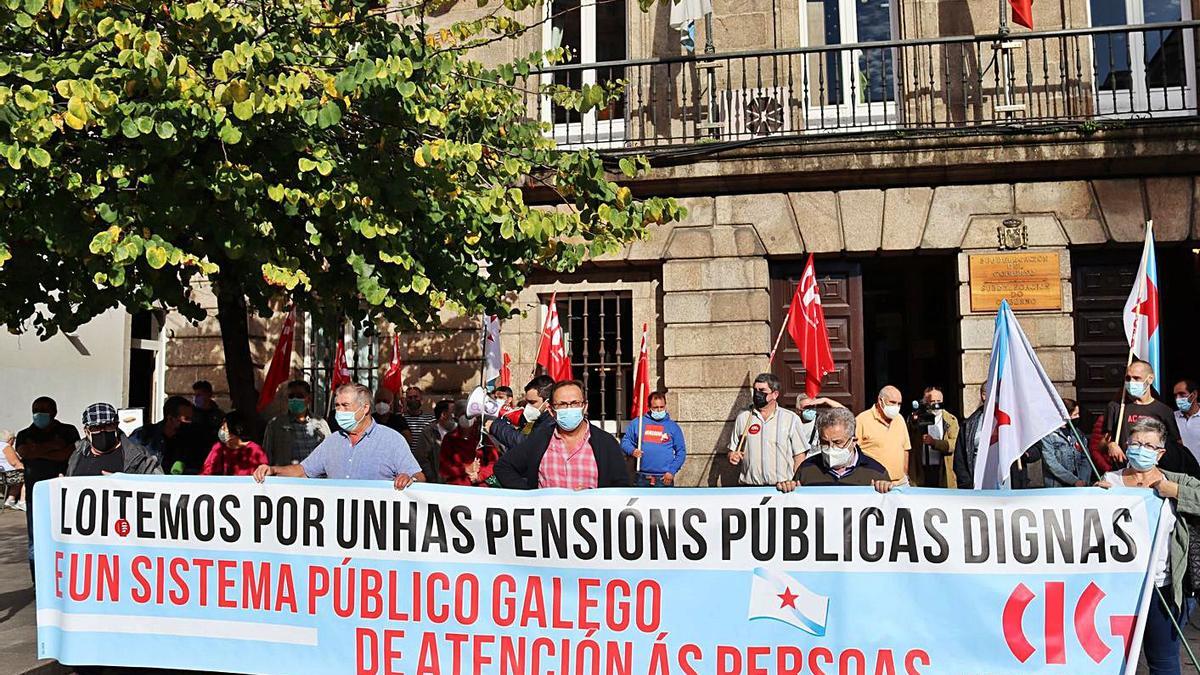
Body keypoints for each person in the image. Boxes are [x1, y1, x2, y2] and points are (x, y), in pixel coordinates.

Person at [1096, 417, 1200, 675]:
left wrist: (1175, 491)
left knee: (1164, 661)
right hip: (1120, 589)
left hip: (1163, 587)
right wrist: (1094, 497)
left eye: (1148, 446)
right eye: (1135, 443)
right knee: (1114, 659)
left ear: (1161, 453)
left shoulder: (1178, 481)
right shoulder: (1111, 481)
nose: (1140, 449)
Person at [252, 383, 424, 490]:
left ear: (364, 408)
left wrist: (409, 479)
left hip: (376, 534)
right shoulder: (333, 441)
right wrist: (274, 470)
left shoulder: (391, 440)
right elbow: (303, 471)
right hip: (338, 535)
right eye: (337, 405)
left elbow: (419, 477)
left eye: (345, 406)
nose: (339, 411)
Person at [493, 380, 630, 489]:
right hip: (546, 522)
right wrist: (531, 497)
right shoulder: (540, 439)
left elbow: (621, 486)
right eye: (562, 405)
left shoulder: (606, 442)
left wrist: (594, 497)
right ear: (552, 411)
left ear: (585, 406)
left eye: (575, 403)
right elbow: (504, 467)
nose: (569, 409)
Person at [15, 396, 79, 581]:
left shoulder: (68, 431)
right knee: (36, 541)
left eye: (44, 410)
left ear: (54, 412)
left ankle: (64, 580)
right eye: (36, 410)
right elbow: (24, 452)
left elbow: (66, 455)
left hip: (63, 495)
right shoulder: (24, 434)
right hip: (35, 497)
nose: (39, 414)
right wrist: (52, 447)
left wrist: (38, 451)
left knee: (64, 539)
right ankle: (39, 582)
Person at [1105, 361, 1197, 477]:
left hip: (1156, 472)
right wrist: (1111, 445)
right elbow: (1103, 442)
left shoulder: (1164, 411)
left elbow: (1176, 445)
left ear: (1149, 379)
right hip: (1123, 472)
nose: (1131, 382)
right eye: (1128, 378)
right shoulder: (1116, 407)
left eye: (1136, 378)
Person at [775, 408, 894, 491]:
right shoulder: (806, 469)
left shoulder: (876, 472)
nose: (831, 448)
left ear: (853, 441)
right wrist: (789, 488)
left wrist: (885, 490)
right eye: (825, 442)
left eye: (838, 442)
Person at [953, 384, 1041, 489]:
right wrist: (968, 486)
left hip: (1011, 486)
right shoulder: (969, 425)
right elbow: (960, 460)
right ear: (984, 395)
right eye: (997, 394)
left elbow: (1037, 449)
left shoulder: (1016, 421)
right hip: (980, 487)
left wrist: (1024, 453)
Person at [727, 374, 807, 486]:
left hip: (782, 488)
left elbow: (799, 455)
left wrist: (797, 481)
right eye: (755, 390)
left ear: (775, 394)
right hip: (750, 488)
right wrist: (732, 455)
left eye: (762, 390)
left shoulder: (791, 419)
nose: (757, 394)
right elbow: (733, 449)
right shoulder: (743, 417)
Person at [66, 403, 162, 477]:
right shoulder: (78, 454)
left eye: (108, 426)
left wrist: (124, 484)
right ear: (87, 431)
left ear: (116, 426)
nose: (102, 431)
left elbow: (159, 485)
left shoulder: (137, 456)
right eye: (96, 428)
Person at [620, 391, 686, 487]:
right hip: (642, 478)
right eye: (656, 407)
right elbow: (625, 442)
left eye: (662, 407)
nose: (659, 410)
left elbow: (681, 451)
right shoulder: (638, 423)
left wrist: (672, 471)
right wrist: (632, 450)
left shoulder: (673, 427)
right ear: (649, 407)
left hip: (664, 478)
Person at [132, 395, 209, 474]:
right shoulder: (144, 436)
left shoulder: (192, 441)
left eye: (191, 419)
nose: (190, 423)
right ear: (171, 419)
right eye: (186, 419)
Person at [263, 380, 332, 466]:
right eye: (291, 396)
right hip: (287, 477)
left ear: (309, 398)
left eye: (300, 396)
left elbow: (330, 454)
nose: (295, 399)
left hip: (316, 478)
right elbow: (266, 457)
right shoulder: (275, 425)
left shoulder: (321, 424)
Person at [856, 386, 912, 484]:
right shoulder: (862, 420)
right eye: (893, 402)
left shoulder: (899, 419)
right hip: (875, 485)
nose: (896, 407)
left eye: (899, 404)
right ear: (880, 401)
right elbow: (853, 452)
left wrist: (904, 475)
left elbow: (905, 448)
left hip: (900, 483)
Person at [488, 375, 554, 450]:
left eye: (532, 402)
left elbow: (523, 443)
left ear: (547, 402)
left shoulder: (550, 423)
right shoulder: (534, 419)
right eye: (527, 402)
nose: (528, 406)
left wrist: (495, 426)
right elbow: (523, 434)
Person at [911, 386, 960, 488]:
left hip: (942, 470)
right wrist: (914, 422)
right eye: (932, 401)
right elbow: (910, 440)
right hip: (922, 471)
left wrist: (935, 443)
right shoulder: (918, 418)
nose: (936, 404)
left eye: (939, 401)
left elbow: (954, 444)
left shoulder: (950, 420)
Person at [1040, 398, 1094, 488]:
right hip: (1057, 487)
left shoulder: (1077, 433)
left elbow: (1085, 458)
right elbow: (1051, 463)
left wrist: (1083, 480)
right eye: (1075, 414)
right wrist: (1073, 480)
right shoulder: (1049, 435)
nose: (1078, 417)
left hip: (1079, 486)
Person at [439, 414, 501, 486]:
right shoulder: (450, 438)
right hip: (457, 488)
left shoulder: (482, 438)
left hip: (480, 488)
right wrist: (465, 469)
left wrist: (480, 476)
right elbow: (443, 468)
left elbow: (494, 462)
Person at [201, 411, 269, 476]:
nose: (222, 431)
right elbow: (207, 471)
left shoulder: (255, 450)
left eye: (224, 428)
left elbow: (262, 472)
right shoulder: (218, 447)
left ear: (236, 429)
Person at [417, 399, 456, 481]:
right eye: (453, 412)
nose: (456, 416)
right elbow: (422, 459)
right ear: (444, 414)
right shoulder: (428, 433)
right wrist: (433, 478)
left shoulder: (460, 432)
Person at [1173, 379, 1200, 465]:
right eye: (1176, 395)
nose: (1178, 398)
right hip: (1180, 471)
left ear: (1194, 394)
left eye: (1182, 394)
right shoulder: (1171, 417)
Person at [2, 430, 25, 511]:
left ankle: (10, 500)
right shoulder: (6, 447)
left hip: (3, 475)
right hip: (9, 475)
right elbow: (14, 462)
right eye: (14, 439)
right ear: (10, 439)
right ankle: (22, 502)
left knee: (19, 477)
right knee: (28, 476)